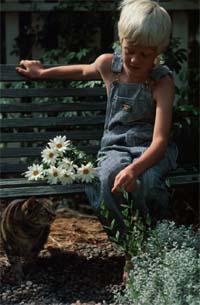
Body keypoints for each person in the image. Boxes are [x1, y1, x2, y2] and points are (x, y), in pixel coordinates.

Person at [16, 0, 178, 283]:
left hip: (150, 150)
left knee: (148, 182)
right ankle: (133, 247)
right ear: (121, 41)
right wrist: (42, 73)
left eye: (145, 54)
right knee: (105, 179)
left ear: (159, 51)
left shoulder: (161, 82)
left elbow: (161, 140)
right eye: (130, 51)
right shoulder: (109, 66)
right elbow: (80, 71)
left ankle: (152, 242)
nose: (135, 60)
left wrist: (136, 168)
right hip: (115, 148)